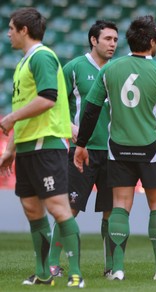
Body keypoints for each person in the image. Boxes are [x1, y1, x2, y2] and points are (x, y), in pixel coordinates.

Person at [73, 15, 156, 281]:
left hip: (118, 150)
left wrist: (81, 144)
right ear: (153, 42)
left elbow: (90, 111)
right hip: (153, 150)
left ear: (128, 41)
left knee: (120, 206)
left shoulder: (109, 70)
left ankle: (117, 269)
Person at [0, 7, 84, 288]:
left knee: (58, 208)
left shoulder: (42, 57)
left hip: (47, 143)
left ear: (24, 30)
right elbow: (24, 108)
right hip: (27, 146)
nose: (8, 33)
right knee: (31, 209)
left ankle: (75, 273)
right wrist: (10, 149)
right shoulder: (24, 63)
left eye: (12, 28)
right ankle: (43, 274)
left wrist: (10, 119)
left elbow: (48, 98)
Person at [48, 20, 119, 278]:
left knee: (112, 212)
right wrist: (70, 128)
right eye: (108, 39)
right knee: (69, 208)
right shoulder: (74, 68)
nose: (113, 44)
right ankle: (52, 263)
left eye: (115, 40)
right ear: (93, 40)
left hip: (114, 151)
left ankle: (111, 267)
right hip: (82, 150)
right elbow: (52, 104)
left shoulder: (118, 70)